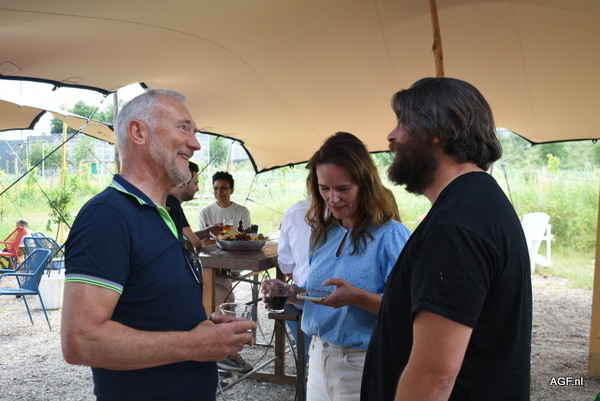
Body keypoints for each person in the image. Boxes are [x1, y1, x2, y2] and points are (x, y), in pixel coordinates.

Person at [61, 89, 256, 401]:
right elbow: (81, 340)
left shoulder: (161, 213)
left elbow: (152, 311)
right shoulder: (108, 216)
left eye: (194, 132)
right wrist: (195, 344)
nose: (195, 144)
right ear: (138, 132)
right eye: (183, 128)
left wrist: (208, 331)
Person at [361, 77, 532, 401]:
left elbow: (435, 375)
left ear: (436, 130)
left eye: (402, 123)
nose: (392, 136)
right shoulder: (478, 204)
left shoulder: (456, 227)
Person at [264, 132, 411, 401]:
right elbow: (319, 299)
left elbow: (409, 310)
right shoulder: (324, 234)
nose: (332, 199)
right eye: (324, 189)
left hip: (364, 364)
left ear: (365, 185)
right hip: (318, 357)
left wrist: (357, 298)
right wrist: (292, 293)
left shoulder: (391, 236)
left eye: (343, 189)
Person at [198, 170, 254, 373]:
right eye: (216, 188)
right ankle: (223, 348)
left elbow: (247, 237)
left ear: (231, 190)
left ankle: (224, 347)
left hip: (233, 263)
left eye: (223, 188)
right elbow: (202, 242)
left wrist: (222, 240)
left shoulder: (241, 211)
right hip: (212, 264)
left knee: (225, 293)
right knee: (225, 295)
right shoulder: (206, 212)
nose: (219, 192)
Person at [276, 181, 312, 358]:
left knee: (288, 300)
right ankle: (309, 356)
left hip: (312, 298)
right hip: (325, 297)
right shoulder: (347, 214)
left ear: (308, 184)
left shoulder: (294, 212)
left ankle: (308, 355)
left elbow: (286, 265)